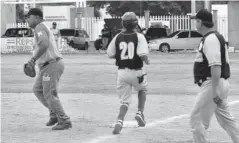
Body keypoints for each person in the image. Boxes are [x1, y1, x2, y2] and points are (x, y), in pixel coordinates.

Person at [191, 8, 239, 142]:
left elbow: (215, 66)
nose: (195, 23)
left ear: (201, 22)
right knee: (227, 120)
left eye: (196, 21)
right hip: (217, 83)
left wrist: (213, 91)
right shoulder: (213, 37)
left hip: (213, 83)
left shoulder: (211, 39)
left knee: (196, 119)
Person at [25, 8, 72, 130]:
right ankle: (54, 114)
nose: (27, 19)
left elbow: (44, 44)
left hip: (52, 64)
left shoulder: (39, 27)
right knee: (37, 89)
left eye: (29, 17)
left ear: (37, 17)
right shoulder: (40, 27)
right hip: (47, 65)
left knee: (50, 94)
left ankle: (64, 120)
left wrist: (33, 59)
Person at [106, 12, 150, 135]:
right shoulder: (139, 36)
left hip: (122, 73)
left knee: (125, 101)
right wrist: (148, 61)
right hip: (136, 71)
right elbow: (143, 54)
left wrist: (120, 55)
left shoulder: (118, 36)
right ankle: (140, 112)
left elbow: (110, 53)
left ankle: (119, 121)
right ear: (136, 23)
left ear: (123, 23)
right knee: (142, 89)